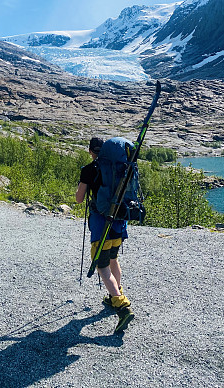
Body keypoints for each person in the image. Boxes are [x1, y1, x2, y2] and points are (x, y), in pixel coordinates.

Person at [76, 137, 133, 325]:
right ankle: (115, 293)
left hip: (102, 227)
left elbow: (79, 198)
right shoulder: (121, 168)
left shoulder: (88, 170)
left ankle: (121, 305)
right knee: (113, 259)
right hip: (119, 224)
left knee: (102, 266)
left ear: (91, 151)